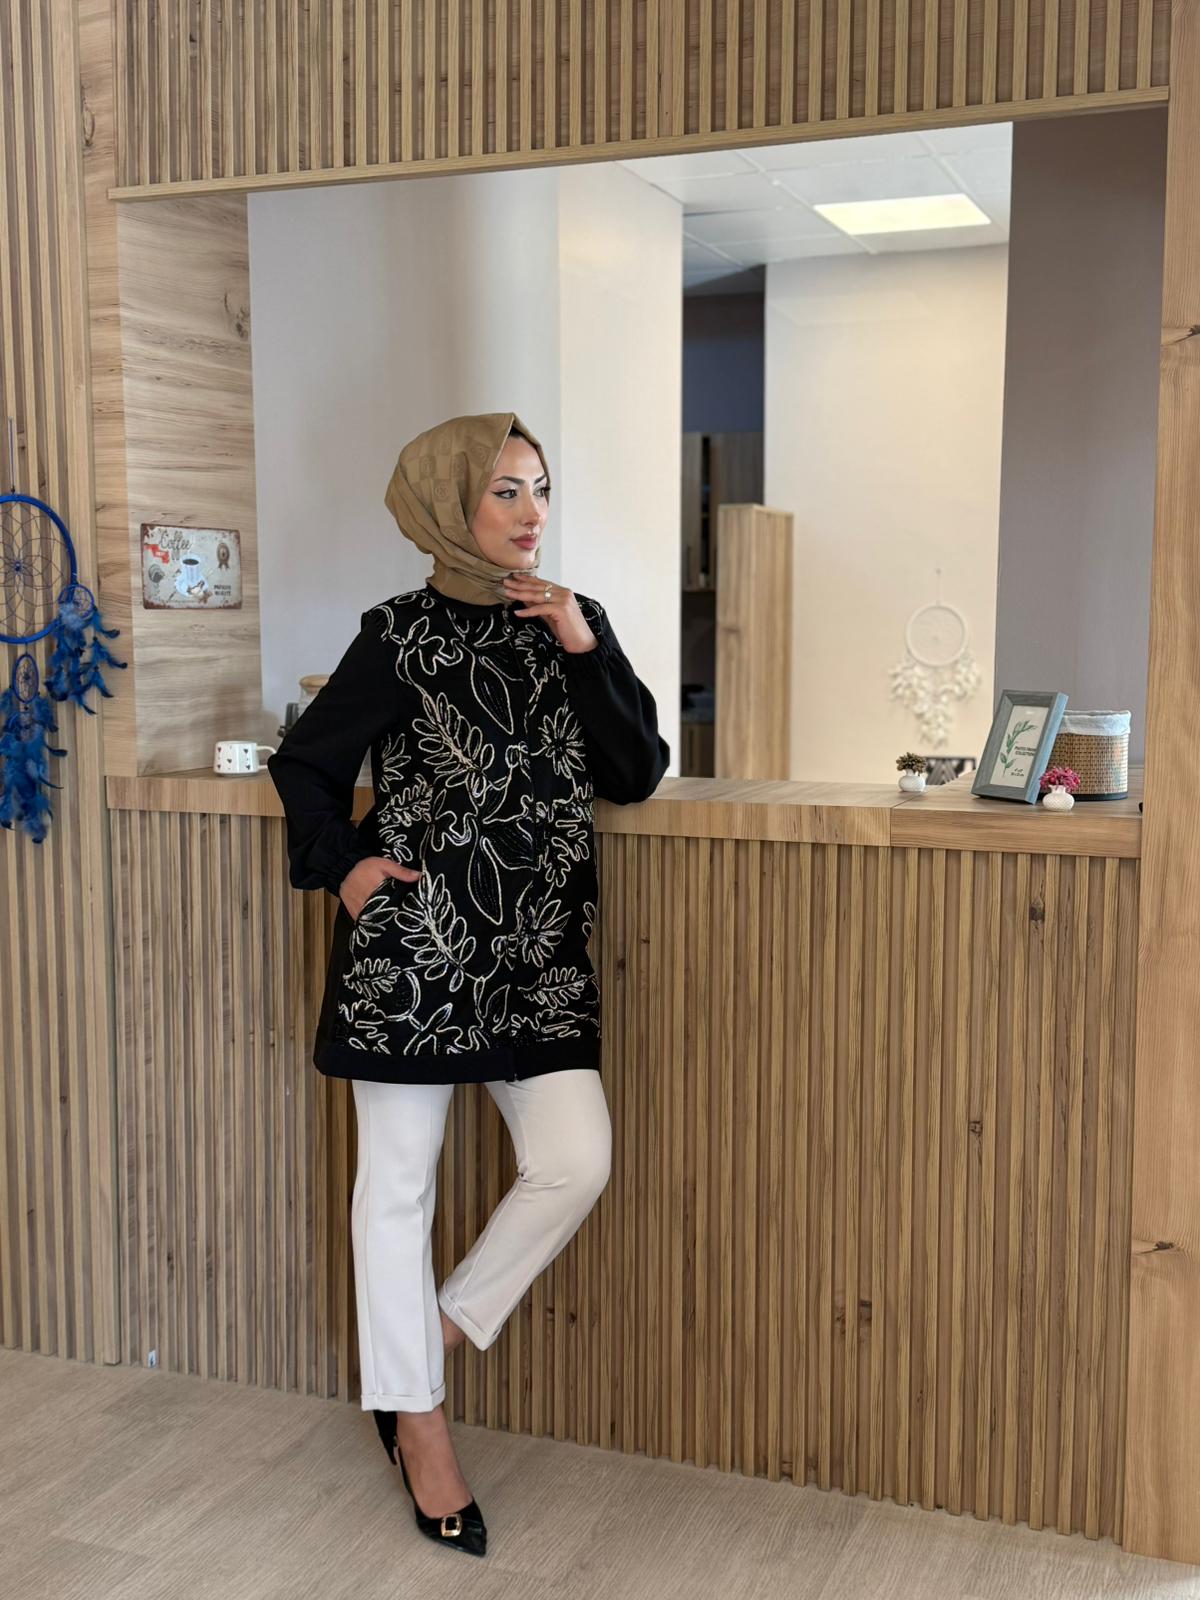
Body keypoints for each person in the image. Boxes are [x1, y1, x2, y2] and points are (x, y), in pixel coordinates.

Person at [267, 411, 670, 1557]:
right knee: (396, 1190)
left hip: (539, 963)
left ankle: (426, 1341)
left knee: (577, 1157)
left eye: (541, 489)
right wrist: (346, 870)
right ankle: (422, 1428)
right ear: (452, 504)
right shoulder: (397, 635)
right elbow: (306, 765)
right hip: (418, 956)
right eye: (506, 491)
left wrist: (587, 648)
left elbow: (636, 770)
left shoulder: (572, 625)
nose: (532, 513)